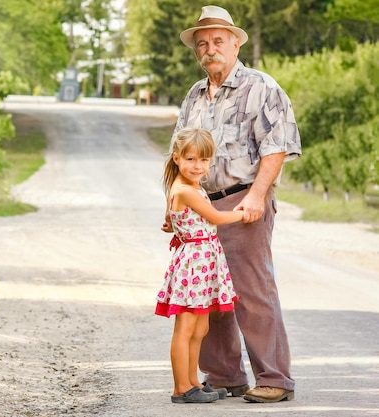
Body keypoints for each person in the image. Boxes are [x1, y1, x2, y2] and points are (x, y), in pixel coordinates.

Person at [166, 4, 302, 403]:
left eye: (218, 41)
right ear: (197, 52)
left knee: (252, 290)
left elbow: (278, 146)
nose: (210, 49)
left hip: (244, 202)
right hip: (199, 205)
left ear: (236, 43)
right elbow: (178, 153)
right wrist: (172, 207)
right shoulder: (194, 95)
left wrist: (258, 195)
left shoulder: (261, 87)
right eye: (203, 44)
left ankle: (275, 378)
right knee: (209, 294)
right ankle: (224, 376)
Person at [155, 127, 243, 404]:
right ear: (177, 159)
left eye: (204, 160)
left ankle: (193, 381)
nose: (198, 166)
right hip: (194, 264)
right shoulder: (186, 190)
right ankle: (181, 387)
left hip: (205, 262)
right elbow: (215, 217)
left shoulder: (191, 187)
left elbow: (177, 219)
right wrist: (243, 213)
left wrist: (172, 222)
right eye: (191, 159)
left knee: (201, 328)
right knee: (186, 327)